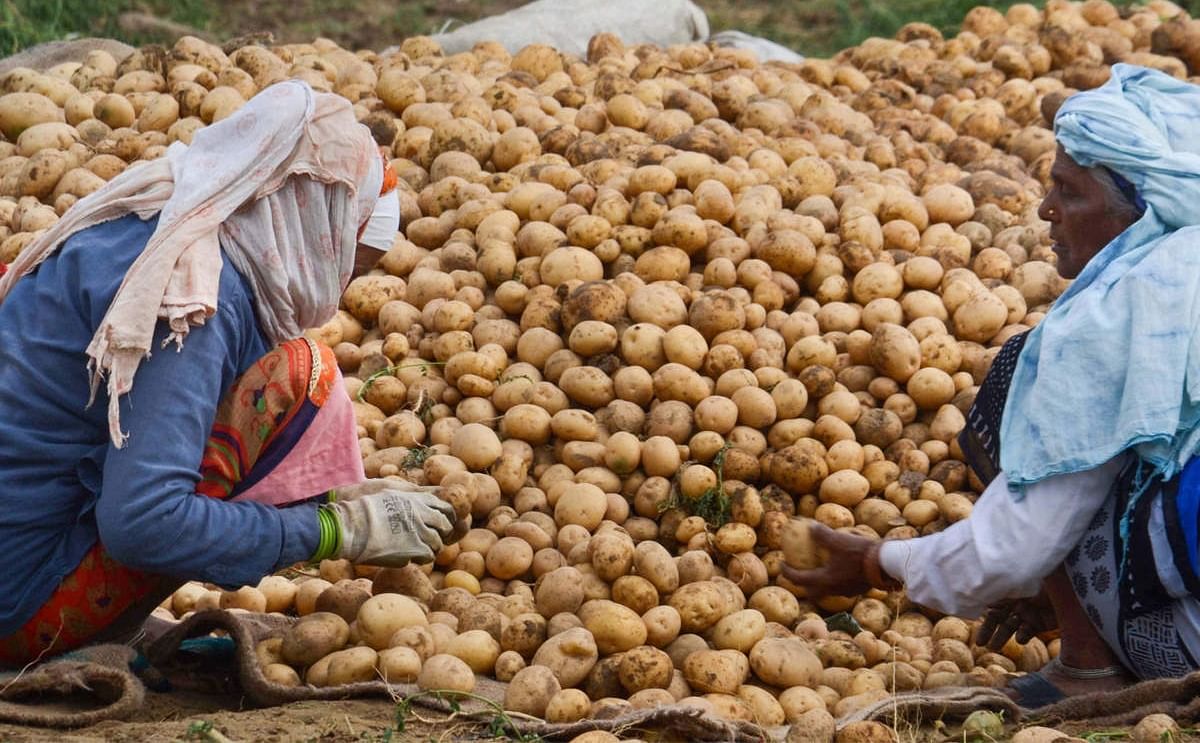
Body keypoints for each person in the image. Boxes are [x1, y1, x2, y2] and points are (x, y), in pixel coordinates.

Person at [783, 64, 1200, 707]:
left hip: (1187, 650)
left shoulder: (1113, 321)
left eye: (1070, 191)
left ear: (1134, 211)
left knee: (1017, 374)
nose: (1046, 209)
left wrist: (872, 564)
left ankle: (1089, 667)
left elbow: (1010, 549)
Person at [0, 80, 454, 667]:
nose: (340, 291)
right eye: (348, 261)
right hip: (16, 609)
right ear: (312, 220)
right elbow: (141, 523)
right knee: (299, 372)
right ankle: (85, 630)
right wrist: (334, 531)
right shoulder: (193, 296)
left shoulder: (152, 208)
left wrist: (343, 495)